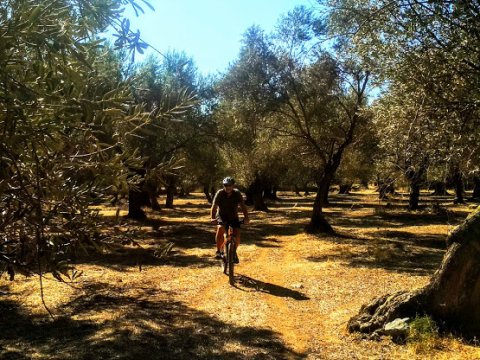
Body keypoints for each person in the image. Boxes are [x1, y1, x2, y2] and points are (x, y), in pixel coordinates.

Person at [210, 177, 249, 262]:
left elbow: (243, 206)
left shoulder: (237, 193)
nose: (228, 187)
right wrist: (212, 218)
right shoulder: (219, 193)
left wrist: (246, 218)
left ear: (233, 186)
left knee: (237, 236)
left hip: (233, 217)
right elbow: (214, 207)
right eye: (225, 185)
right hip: (221, 216)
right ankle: (218, 251)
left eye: (229, 185)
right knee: (220, 229)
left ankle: (233, 252)